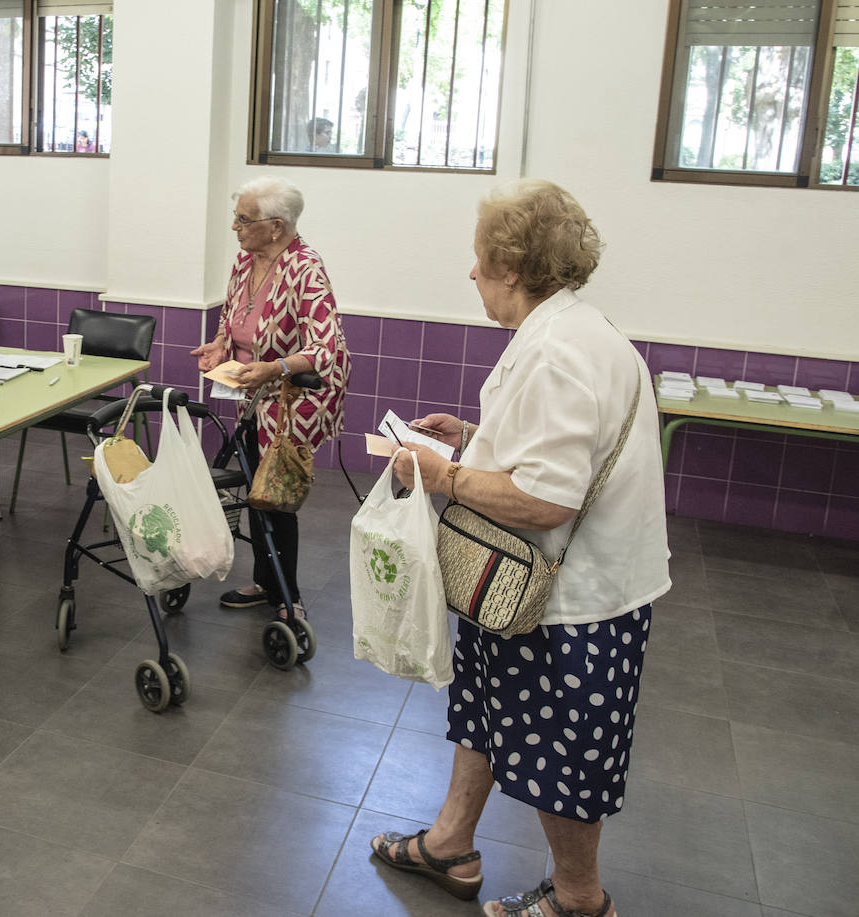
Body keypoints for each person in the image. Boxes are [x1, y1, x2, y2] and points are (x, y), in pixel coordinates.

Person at [370, 180, 669, 917]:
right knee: (484, 712)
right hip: (532, 591)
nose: (471, 274)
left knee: (561, 753)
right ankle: (451, 843)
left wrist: (444, 475)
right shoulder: (569, 331)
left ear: (511, 266)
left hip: (571, 602)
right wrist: (474, 443)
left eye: (478, 260)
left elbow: (547, 500)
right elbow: (551, 455)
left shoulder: (557, 353)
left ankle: (578, 898)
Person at [191, 176, 349, 620]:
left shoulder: (305, 268)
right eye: (236, 219)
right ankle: (265, 581)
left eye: (244, 220)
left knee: (274, 493)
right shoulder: (246, 261)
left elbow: (326, 347)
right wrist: (220, 345)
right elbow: (231, 318)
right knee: (254, 484)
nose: (236, 228)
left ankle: (287, 597)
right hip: (252, 391)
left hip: (295, 400)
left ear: (277, 227)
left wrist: (275, 368)